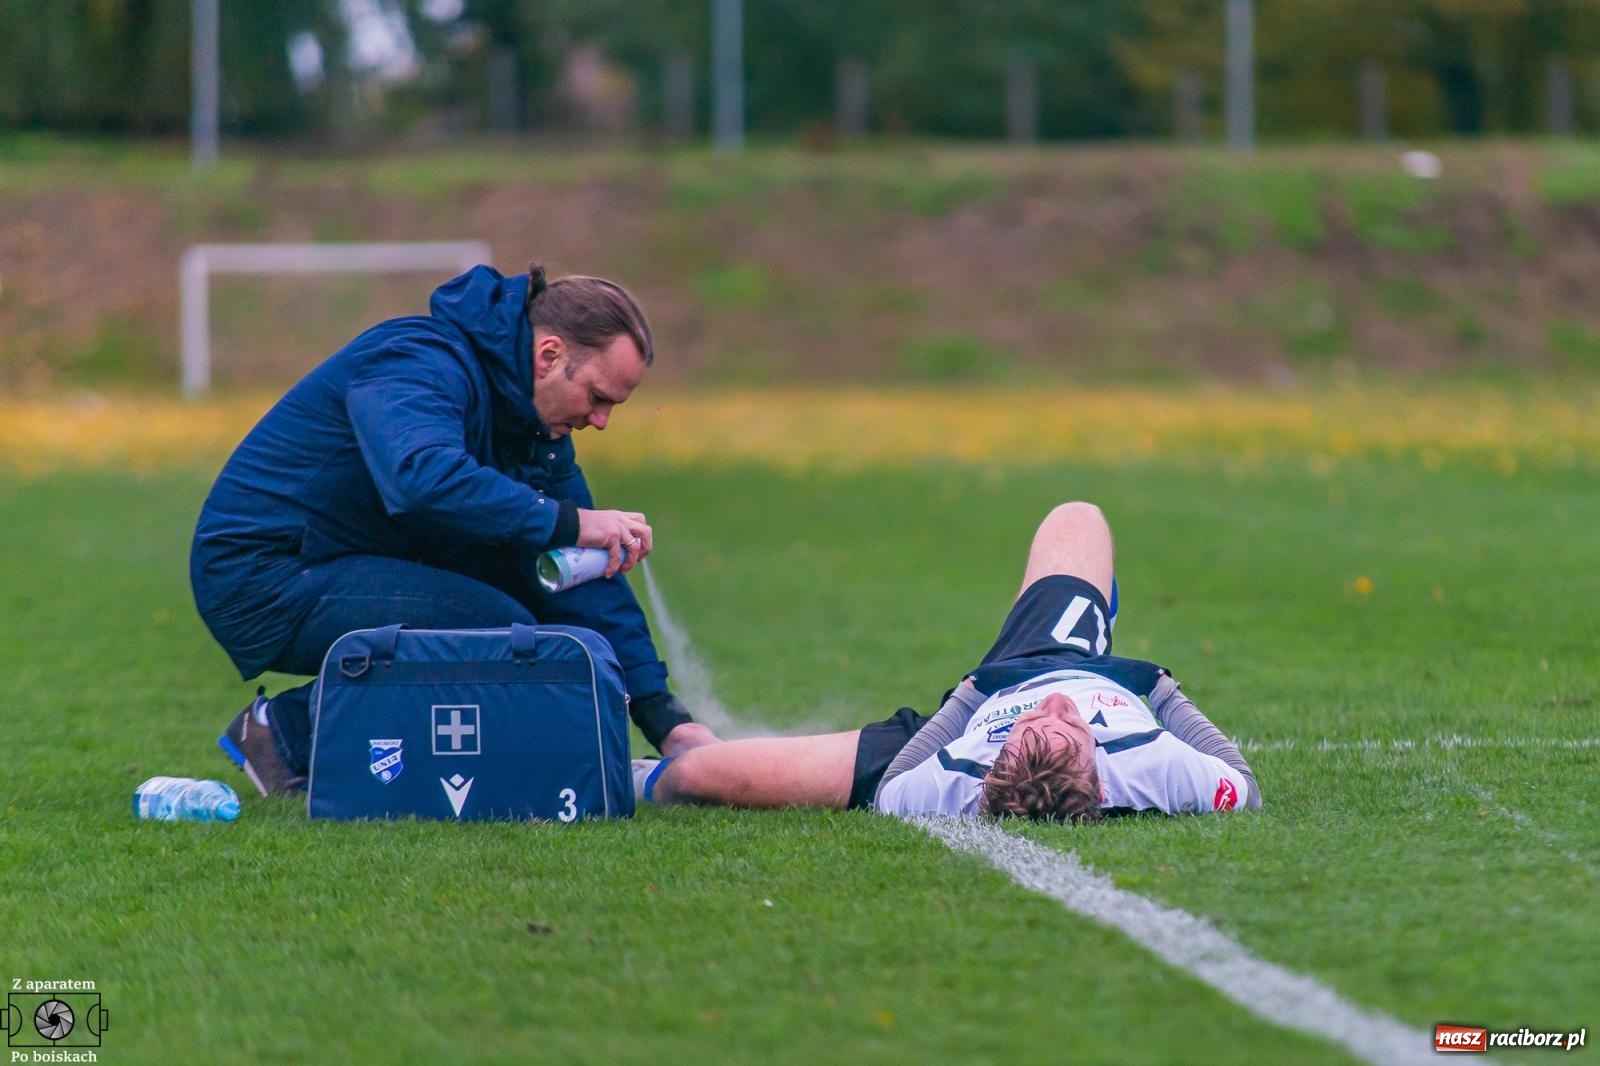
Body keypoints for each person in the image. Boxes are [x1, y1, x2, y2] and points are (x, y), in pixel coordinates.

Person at [191, 262, 718, 797]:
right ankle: (282, 732)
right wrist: (571, 521)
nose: (601, 420)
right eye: (598, 397)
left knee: (527, 632)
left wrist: (665, 720)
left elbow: (579, 576)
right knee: (502, 634)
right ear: (549, 355)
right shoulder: (415, 360)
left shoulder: (534, 431)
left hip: (343, 560)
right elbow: (420, 477)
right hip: (263, 572)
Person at [633, 502, 1259, 821]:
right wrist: (1161, 688)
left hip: (952, 725)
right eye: (1068, 722)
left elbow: (895, 784)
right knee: (1077, 518)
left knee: (701, 774)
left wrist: (970, 694)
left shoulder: (951, 781)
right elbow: (1242, 782)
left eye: (1037, 723)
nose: (1054, 706)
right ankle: (1096, 620)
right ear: (1099, 766)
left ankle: (617, 775)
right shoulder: (1154, 769)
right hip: (1056, 655)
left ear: (994, 764)